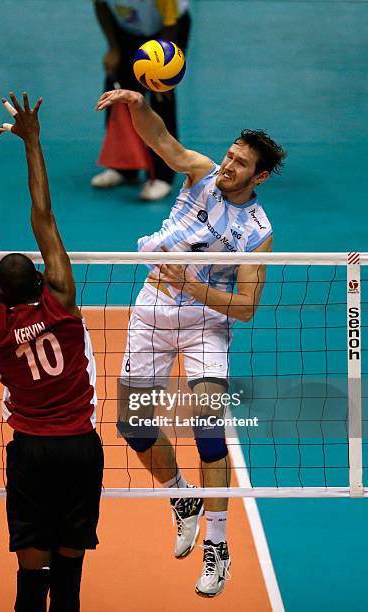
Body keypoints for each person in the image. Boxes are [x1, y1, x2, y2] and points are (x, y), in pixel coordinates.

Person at [96, 88, 286, 597]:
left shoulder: (259, 232)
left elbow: (246, 307)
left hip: (206, 318)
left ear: (259, 176)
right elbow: (161, 140)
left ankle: (217, 548)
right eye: (229, 155)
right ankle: (181, 495)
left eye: (240, 163)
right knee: (133, 426)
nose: (227, 165)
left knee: (206, 425)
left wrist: (195, 287)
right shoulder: (200, 173)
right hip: (153, 306)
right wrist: (138, 105)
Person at [0, 93, 103, 612]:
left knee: (30, 577)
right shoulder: (61, 298)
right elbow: (44, 215)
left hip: (33, 454)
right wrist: (31, 140)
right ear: (40, 279)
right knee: (69, 575)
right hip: (80, 450)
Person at [92, 0, 191, 200]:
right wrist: (113, 48)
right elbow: (101, 5)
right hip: (126, 32)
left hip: (164, 32)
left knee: (161, 98)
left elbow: (170, 23)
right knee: (118, 93)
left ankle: (163, 175)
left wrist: (163, 68)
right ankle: (124, 167)